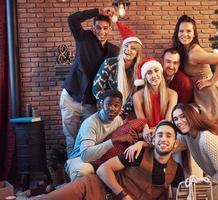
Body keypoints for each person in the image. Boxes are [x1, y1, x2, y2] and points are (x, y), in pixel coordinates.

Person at [40, 120, 184, 200]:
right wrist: (124, 196)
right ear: (153, 139)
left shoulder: (176, 170)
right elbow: (103, 169)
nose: (163, 139)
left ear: (175, 143)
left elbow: (177, 197)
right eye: (160, 135)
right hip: (94, 187)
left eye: (168, 136)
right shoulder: (139, 152)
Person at [60, 7, 120, 157]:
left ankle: (90, 176)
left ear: (110, 29)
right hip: (71, 98)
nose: (102, 31)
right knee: (71, 140)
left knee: (92, 140)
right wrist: (97, 11)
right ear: (93, 28)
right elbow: (72, 19)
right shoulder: (84, 38)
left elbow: (111, 80)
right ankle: (74, 175)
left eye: (105, 28)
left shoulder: (114, 51)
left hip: (91, 103)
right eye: (98, 27)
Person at [172, 15, 218, 124]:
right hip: (202, 93)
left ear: (194, 33)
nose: (184, 34)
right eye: (181, 31)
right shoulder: (185, 50)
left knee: (212, 130)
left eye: (188, 31)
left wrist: (211, 81)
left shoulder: (194, 53)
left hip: (209, 93)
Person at [65, 90, 138, 181]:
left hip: (100, 160)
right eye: (108, 104)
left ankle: (56, 190)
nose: (112, 108)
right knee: (84, 171)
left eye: (116, 105)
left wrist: (133, 140)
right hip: (79, 159)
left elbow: (122, 142)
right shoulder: (90, 123)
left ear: (120, 108)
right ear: (100, 105)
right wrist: (114, 140)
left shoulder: (118, 120)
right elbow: (85, 156)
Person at [93, 20, 143, 120]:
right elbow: (96, 88)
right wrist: (111, 107)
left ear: (137, 53)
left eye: (133, 48)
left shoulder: (139, 70)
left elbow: (137, 95)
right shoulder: (109, 63)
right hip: (107, 110)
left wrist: (124, 111)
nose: (128, 50)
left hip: (128, 114)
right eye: (126, 46)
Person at [133, 57, 178, 142]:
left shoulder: (173, 94)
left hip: (165, 131)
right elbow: (142, 122)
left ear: (161, 72)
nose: (154, 75)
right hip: (147, 134)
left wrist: (156, 130)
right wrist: (146, 130)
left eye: (156, 70)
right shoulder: (137, 96)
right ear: (145, 77)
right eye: (149, 73)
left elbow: (167, 120)